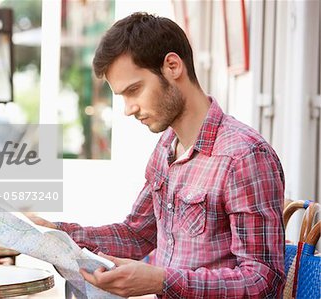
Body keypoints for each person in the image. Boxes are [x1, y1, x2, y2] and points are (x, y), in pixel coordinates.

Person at [32, 12, 286, 298]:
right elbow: (137, 235)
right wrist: (55, 233)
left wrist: (160, 281)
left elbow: (264, 280)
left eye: (135, 90)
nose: (128, 109)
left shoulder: (244, 156)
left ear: (172, 66)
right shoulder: (166, 147)